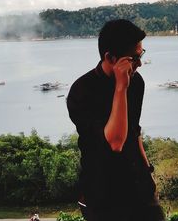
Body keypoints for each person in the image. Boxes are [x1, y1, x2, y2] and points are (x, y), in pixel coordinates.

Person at [67, 19, 165, 221]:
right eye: (133, 58)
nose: (139, 63)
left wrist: (149, 175)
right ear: (110, 57)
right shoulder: (82, 92)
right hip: (103, 194)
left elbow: (134, 131)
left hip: (139, 185)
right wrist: (121, 87)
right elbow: (115, 141)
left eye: (141, 55)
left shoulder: (136, 82)